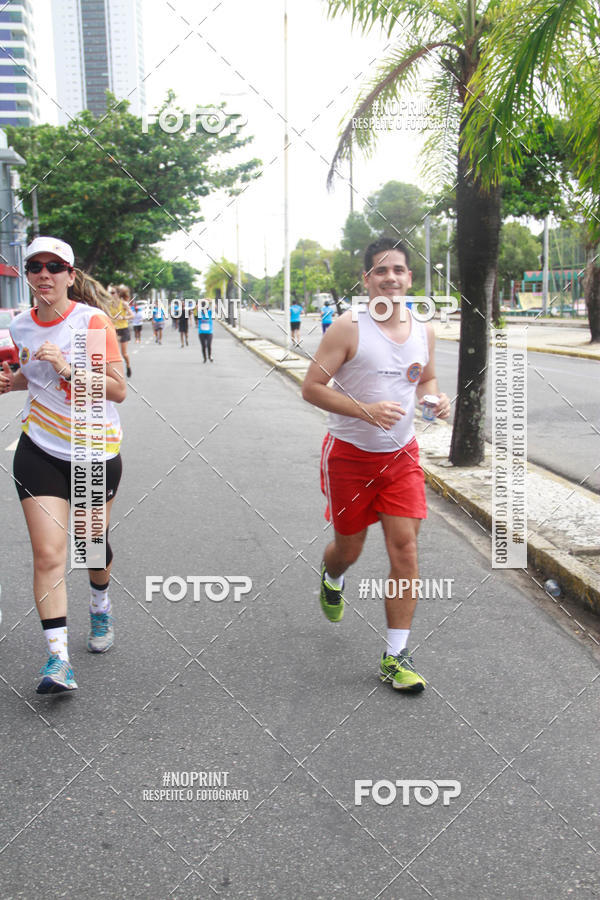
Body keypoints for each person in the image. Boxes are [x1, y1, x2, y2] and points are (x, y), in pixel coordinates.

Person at [302, 238, 450, 693]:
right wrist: (365, 410)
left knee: (404, 548)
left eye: (399, 270)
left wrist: (435, 400)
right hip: (347, 455)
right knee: (349, 550)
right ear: (367, 279)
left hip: (401, 455)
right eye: (381, 271)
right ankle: (332, 576)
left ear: (409, 278)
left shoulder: (424, 330)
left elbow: (425, 379)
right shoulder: (348, 328)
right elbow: (311, 387)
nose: (391, 278)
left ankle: (395, 656)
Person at [0, 236, 126, 694]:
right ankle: (57, 661)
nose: (44, 274)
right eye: (35, 267)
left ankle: (100, 604)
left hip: (93, 451)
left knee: (90, 549)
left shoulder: (91, 323)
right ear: (28, 276)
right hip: (40, 450)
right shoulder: (20, 327)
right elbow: (27, 377)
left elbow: (117, 390)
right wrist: (9, 383)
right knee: (49, 554)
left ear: (71, 276)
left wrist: (71, 370)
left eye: (55, 266)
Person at [108, 284, 133, 377]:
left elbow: (132, 315)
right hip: (113, 330)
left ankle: (128, 366)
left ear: (118, 294)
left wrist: (123, 317)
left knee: (124, 353)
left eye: (113, 293)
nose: (111, 294)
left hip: (123, 329)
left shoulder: (123, 304)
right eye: (110, 293)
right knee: (114, 353)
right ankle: (116, 372)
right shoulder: (109, 304)